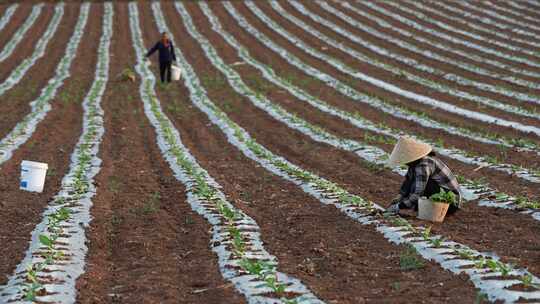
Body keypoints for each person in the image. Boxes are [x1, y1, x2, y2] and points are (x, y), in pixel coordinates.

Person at [385, 137, 462, 214]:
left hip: (450, 203)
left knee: (424, 184)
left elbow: (418, 192)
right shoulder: (415, 163)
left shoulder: (423, 165)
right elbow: (408, 181)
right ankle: (425, 207)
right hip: (439, 195)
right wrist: (400, 196)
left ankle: (434, 209)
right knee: (414, 182)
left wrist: (399, 206)